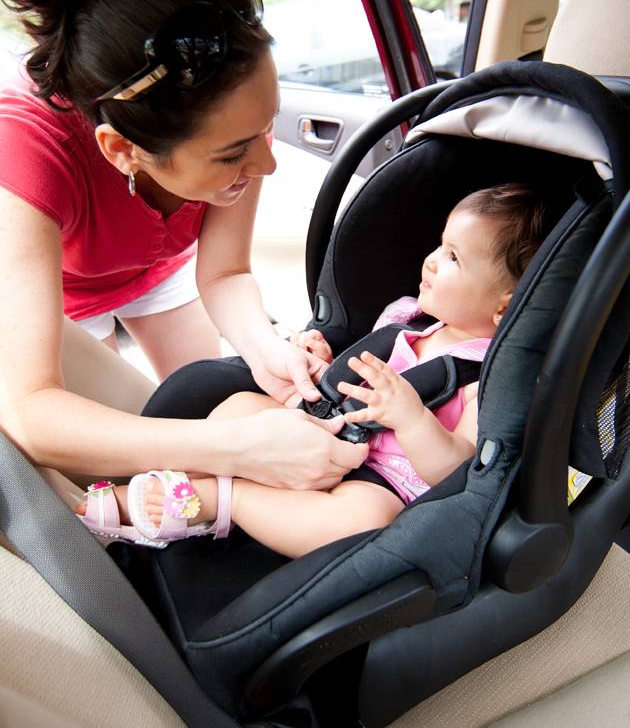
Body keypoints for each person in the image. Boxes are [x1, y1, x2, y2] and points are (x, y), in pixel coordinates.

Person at [0, 0, 368, 494]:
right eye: (232, 154)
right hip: (59, 298)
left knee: (187, 401)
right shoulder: (26, 151)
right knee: (112, 455)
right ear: (122, 151)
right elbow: (31, 411)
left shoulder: (235, 123)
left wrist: (264, 349)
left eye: (265, 128)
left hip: (158, 270)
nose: (267, 163)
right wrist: (237, 451)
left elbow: (224, 274)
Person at [78, 184, 551, 556]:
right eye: (440, 244)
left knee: (365, 523)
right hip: (321, 427)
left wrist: (411, 418)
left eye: (453, 258)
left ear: (504, 310)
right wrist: (320, 358)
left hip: (381, 481)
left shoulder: (487, 377)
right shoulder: (407, 319)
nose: (430, 259)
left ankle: (219, 502)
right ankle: (176, 476)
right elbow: (351, 371)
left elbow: (457, 468)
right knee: (241, 404)